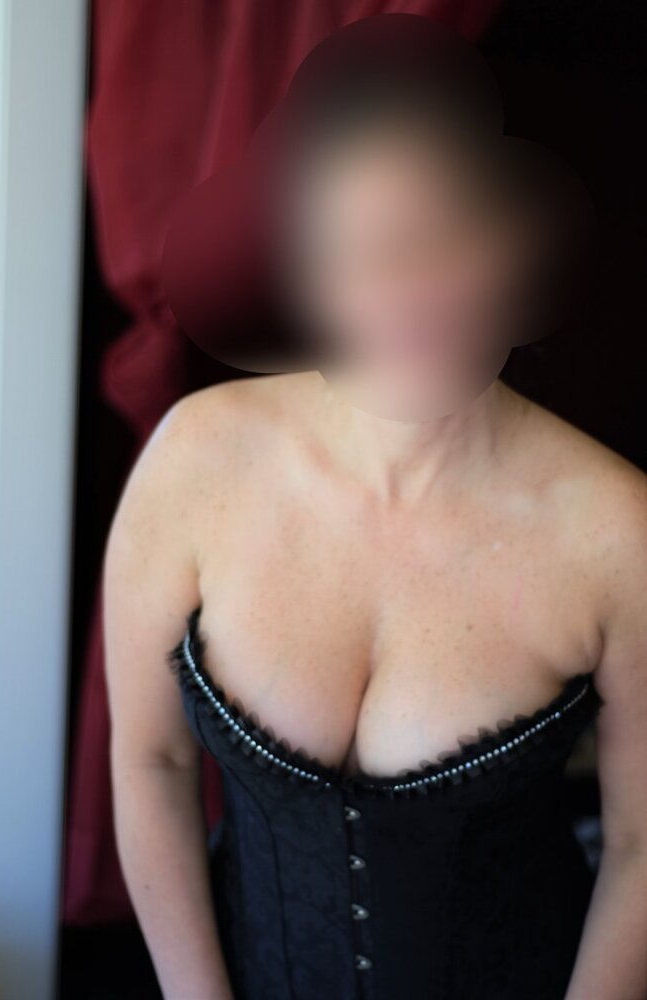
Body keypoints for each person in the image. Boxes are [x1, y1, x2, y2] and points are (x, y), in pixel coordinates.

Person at [102, 16, 647, 1000]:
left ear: (515, 246)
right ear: (303, 279)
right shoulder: (192, 463)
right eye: (359, 252)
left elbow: (642, 844)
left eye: (443, 239)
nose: (408, 293)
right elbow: (151, 761)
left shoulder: (619, 532)